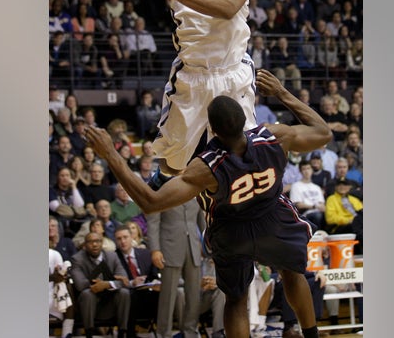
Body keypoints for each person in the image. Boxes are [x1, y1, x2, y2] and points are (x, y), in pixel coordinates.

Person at [85, 69, 332, 338]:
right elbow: (323, 132)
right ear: (245, 120)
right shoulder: (273, 136)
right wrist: (282, 92)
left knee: (236, 300)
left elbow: (150, 202)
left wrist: (110, 154)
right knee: (293, 274)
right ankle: (311, 335)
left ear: (212, 129)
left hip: (232, 230)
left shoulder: (206, 167)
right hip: (273, 218)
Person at [121, 0, 257, 179]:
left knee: (246, 159)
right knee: (170, 165)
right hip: (191, 73)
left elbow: (229, 7)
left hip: (232, 72)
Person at [147, 199, 204, 338]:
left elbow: (203, 223)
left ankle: (190, 332)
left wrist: (208, 245)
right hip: (169, 248)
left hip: (193, 248)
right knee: (168, 295)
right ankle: (163, 333)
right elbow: (153, 222)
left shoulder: (196, 191)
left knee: (194, 294)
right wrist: (155, 249)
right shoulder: (162, 189)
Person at [69, 231, 132, 338]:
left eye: (97, 241)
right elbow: (80, 284)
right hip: (89, 306)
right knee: (87, 293)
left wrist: (106, 284)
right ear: (85, 245)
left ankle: (122, 333)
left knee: (124, 293)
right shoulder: (77, 259)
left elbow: (124, 280)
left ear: (102, 243)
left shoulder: (112, 256)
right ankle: (89, 333)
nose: (94, 244)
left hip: (110, 304)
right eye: (90, 242)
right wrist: (108, 281)